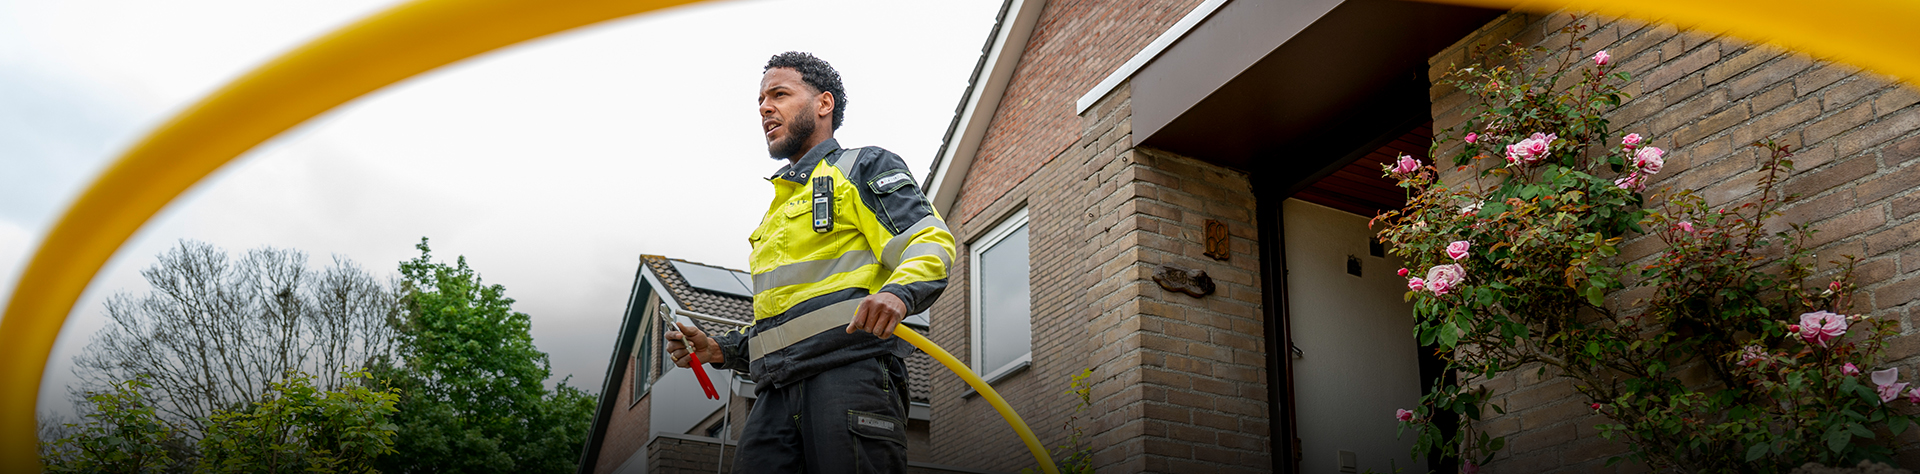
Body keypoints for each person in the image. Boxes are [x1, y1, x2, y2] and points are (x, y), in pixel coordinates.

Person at [666, 51, 956, 473]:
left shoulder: (861, 167)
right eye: (760, 101)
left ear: (823, 104)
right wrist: (718, 349)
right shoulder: (775, 215)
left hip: (851, 376)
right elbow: (785, 322)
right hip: (774, 393)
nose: (765, 108)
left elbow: (929, 241)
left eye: (779, 94)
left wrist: (898, 293)